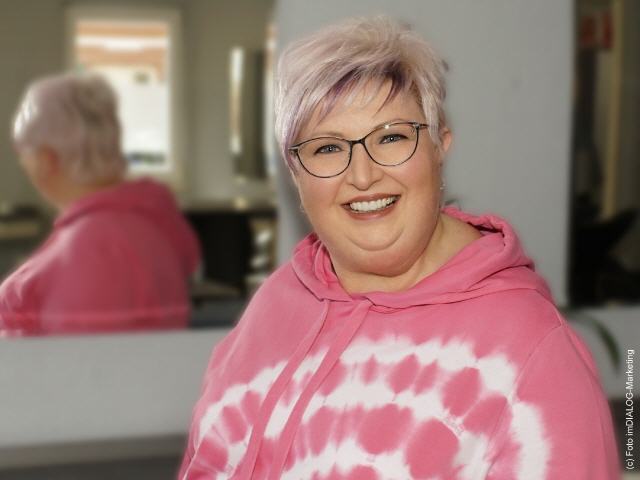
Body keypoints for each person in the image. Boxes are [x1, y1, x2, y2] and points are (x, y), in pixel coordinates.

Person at [179, 16, 619, 479]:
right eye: (327, 148)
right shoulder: (275, 302)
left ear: (439, 146)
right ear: (295, 173)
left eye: (391, 137)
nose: (362, 175)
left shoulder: (531, 353)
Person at [0, 73, 201, 336]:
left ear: (46, 160)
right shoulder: (140, 224)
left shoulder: (94, 246)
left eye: (23, 153)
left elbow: (82, 357)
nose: (22, 163)